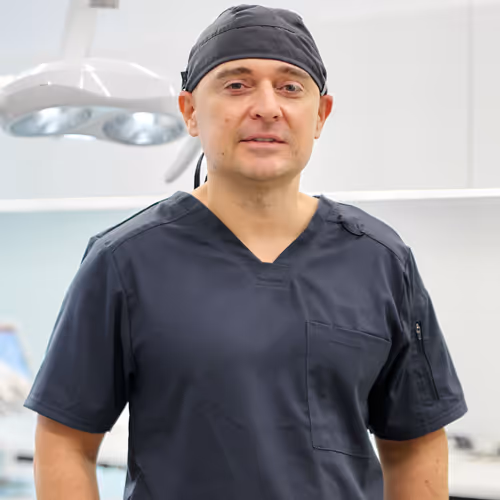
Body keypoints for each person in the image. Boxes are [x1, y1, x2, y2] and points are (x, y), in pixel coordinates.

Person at [24, 4, 468, 499]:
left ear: (320, 115)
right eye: (236, 85)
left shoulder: (380, 261)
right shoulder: (124, 262)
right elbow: (65, 440)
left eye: (290, 87)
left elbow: (415, 442)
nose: (267, 107)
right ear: (190, 111)